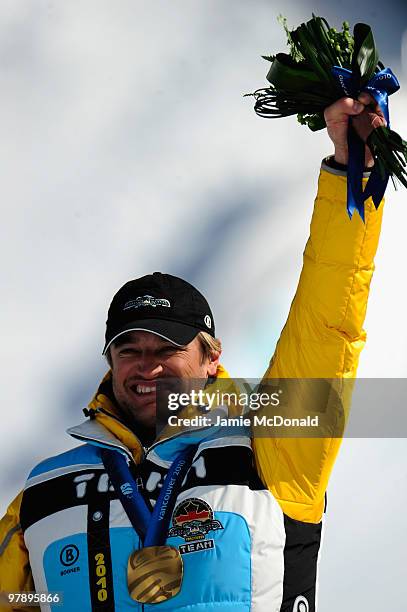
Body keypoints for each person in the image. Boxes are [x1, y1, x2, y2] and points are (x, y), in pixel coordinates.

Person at [0, 95, 386, 612]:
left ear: (212, 358)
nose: (147, 365)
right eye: (129, 349)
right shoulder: (45, 491)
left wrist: (350, 171)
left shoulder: (271, 449)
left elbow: (328, 322)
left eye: (168, 348)